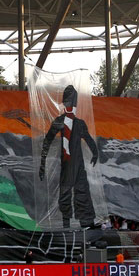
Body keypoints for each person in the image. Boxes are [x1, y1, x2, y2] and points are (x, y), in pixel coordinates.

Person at [39, 85, 100, 229]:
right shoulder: (59, 122)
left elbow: (89, 139)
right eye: (69, 103)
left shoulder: (79, 123)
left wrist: (95, 152)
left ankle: (86, 222)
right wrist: (42, 163)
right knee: (66, 192)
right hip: (67, 163)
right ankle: (66, 223)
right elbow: (47, 140)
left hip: (78, 164)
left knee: (82, 191)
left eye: (72, 103)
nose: (71, 106)